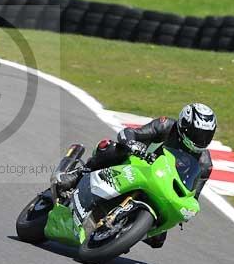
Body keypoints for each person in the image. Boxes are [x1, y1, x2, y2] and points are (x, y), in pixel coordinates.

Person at [58, 102, 217, 249]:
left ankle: (120, 234)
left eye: (206, 136)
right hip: (136, 164)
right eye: (197, 134)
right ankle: (78, 174)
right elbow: (130, 133)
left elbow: (193, 195)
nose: (200, 140)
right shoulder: (166, 126)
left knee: (158, 240)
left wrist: (186, 212)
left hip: (162, 186)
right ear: (184, 125)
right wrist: (132, 144)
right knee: (110, 147)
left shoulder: (205, 164)